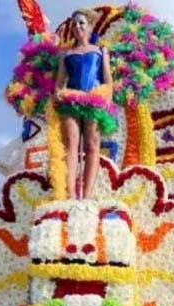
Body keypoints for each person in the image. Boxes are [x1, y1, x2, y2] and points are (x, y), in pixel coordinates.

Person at [55, 8, 117, 199]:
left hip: (94, 99)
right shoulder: (66, 54)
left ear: (90, 27)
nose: (78, 26)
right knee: (71, 144)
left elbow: (107, 78)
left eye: (82, 23)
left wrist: (106, 95)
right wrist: (58, 93)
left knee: (92, 144)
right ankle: (71, 194)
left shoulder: (100, 51)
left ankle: (87, 195)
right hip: (71, 101)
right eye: (74, 24)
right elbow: (59, 82)